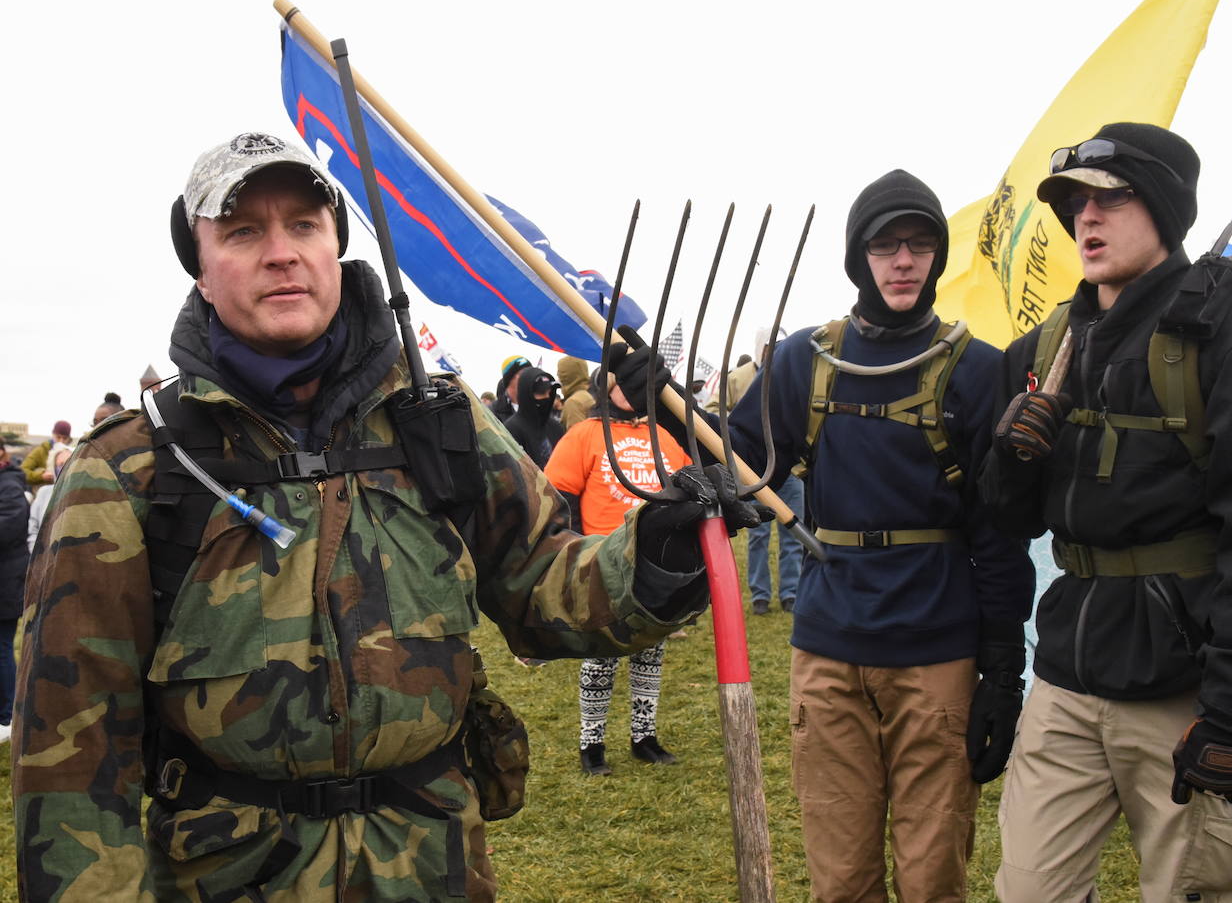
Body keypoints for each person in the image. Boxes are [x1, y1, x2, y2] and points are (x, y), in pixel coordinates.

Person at [14, 132, 765, 902]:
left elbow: (545, 582)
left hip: (432, 866)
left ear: (337, 246)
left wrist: (655, 550)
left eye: (305, 225)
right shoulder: (131, 468)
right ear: (201, 268)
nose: (282, 253)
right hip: (230, 876)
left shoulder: (436, 423)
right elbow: (71, 754)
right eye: (243, 231)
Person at [617, 169, 1034, 901]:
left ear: (936, 256)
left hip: (936, 653)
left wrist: (1002, 667)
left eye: (920, 244)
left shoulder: (976, 369)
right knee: (840, 879)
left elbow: (998, 529)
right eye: (885, 245)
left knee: (934, 874)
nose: (904, 260)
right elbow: (737, 474)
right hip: (829, 650)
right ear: (858, 258)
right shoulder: (804, 359)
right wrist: (670, 403)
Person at [979, 123, 1232, 902]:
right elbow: (1009, 519)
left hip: (1184, 681)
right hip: (1066, 670)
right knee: (1029, 890)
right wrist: (1011, 458)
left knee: (1189, 890)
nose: (1085, 220)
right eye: (1074, 205)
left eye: (1109, 197)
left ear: (1164, 206)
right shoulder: (1049, 344)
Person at [545, 378, 691, 775]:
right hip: (603, 561)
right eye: (621, 383)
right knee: (601, 654)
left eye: (636, 383)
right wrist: (573, 553)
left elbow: (685, 484)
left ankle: (644, 737)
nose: (631, 389)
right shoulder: (584, 435)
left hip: (651, 559)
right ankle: (591, 744)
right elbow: (559, 494)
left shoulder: (660, 435)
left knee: (650, 650)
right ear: (603, 388)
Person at [706, 329, 804, 615]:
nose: (774, 350)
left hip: (790, 469)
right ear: (760, 347)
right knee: (758, 534)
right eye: (770, 346)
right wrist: (735, 428)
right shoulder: (737, 378)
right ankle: (760, 594)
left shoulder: (791, 375)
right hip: (754, 471)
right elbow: (713, 406)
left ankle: (791, 592)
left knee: (793, 534)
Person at [0, 442, 28, 744]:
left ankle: (8, 716)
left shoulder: (9, 485)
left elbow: (9, 527)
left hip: (6, 582)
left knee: (3, 648)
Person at [502, 366, 563, 467]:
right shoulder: (511, 430)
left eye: (549, 392)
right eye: (541, 392)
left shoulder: (556, 427)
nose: (547, 397)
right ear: (526, 394)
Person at [19, 420, 71, 489]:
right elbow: (22, 471)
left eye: (64, 438)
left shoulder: (72, 452)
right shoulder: (41, 450)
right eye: (58, 437)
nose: (61, 441)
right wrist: (41, 476)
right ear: (53, 434)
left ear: (68, 438)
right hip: (44, 492)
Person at [556, 355, 595, 429]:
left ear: (566, 375)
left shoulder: (574, 402)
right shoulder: (589, 394)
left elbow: (578, 437)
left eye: (560, 372)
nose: (557, 375)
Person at [490, 354, 530, 422]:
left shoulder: (537, 407)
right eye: (524, 373)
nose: (529, 377)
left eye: (530, 373)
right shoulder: (492, 412)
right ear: (510, 378)